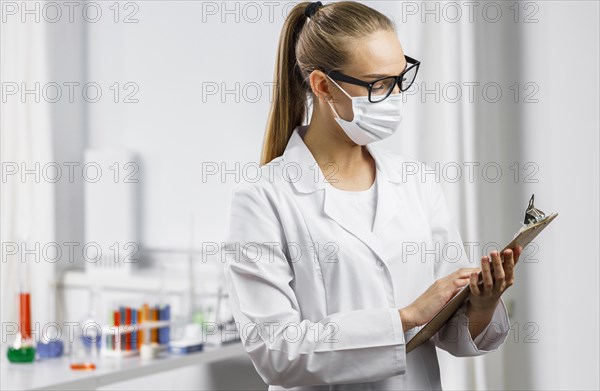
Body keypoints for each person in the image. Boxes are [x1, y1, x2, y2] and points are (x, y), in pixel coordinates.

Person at [223, 1, 523, 390]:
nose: (395, 95)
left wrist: (480, 304)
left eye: (400, 78)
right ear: (323, 85)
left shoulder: (415, 181)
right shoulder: (263, 199)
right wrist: (405, 316)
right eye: (377, 84)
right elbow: (277, 353)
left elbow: (450, 327)